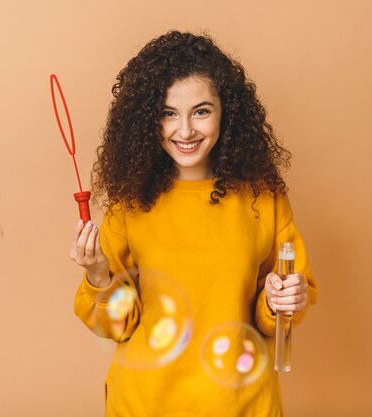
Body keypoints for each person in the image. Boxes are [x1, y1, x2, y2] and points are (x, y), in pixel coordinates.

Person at [69, 30, 318, 417]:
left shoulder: (263, 199)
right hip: (145, 403)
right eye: (168, 113)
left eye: (201, 111)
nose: (185, 131)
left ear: (227, 111)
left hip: (241, 404)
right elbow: (117, 326)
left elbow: (276, 316)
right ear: (147, 119)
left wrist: (280, 300)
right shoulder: (128, 205)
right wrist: (99, 276)